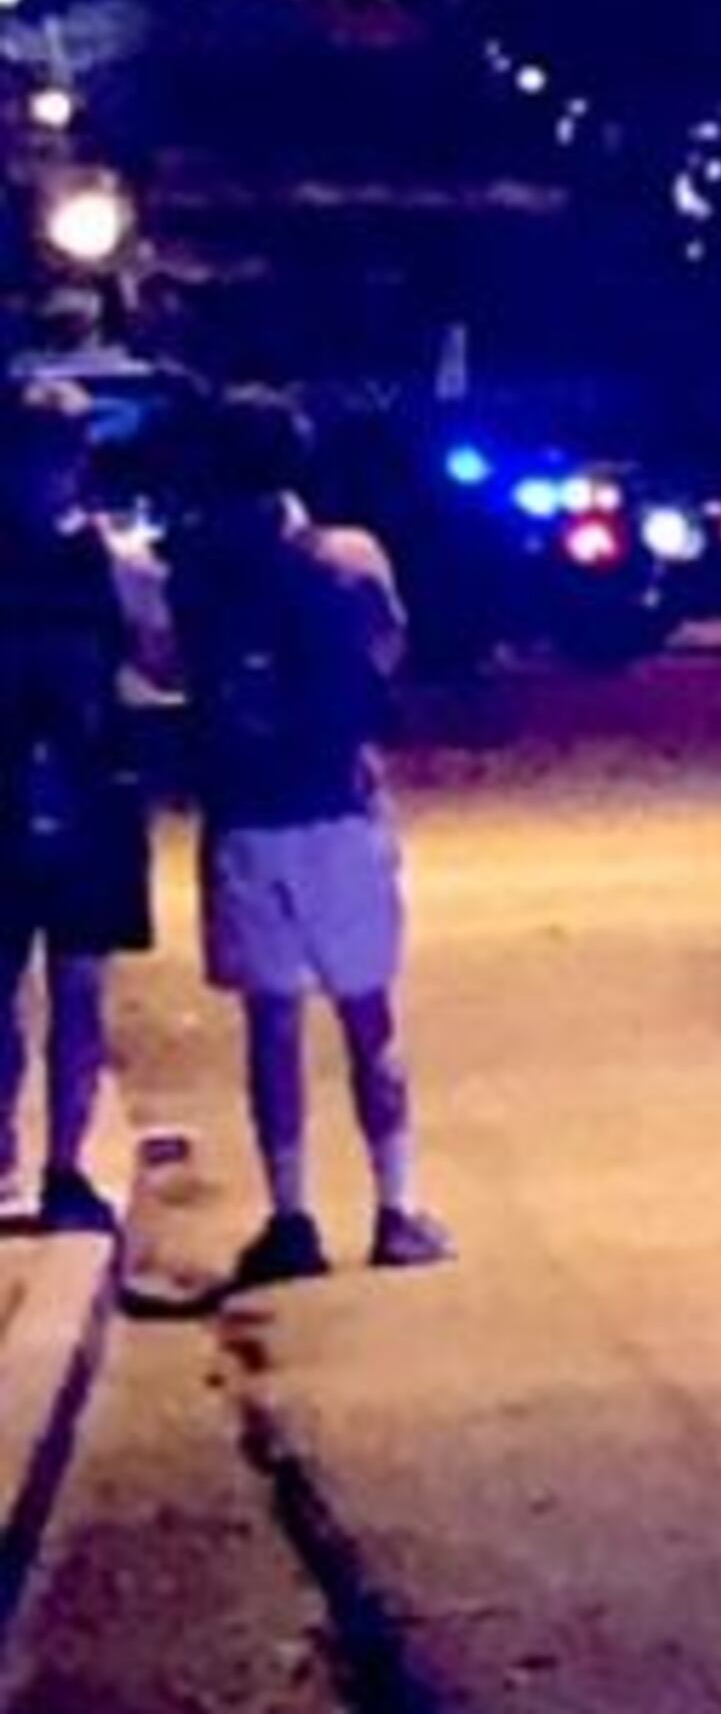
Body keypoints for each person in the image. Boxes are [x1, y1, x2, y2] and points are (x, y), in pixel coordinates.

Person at [165, 393, 449, 1287]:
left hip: (248, 817)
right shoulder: (350, 558)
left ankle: (292, 1215)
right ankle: (396, 1207)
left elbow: (168, 665)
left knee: (272, 1026)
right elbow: (388, 650)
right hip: (338, 810)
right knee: (369, 1016)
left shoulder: (194, 569)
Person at [0, 387, 155, 1234]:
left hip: (88, 788)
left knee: (80, 990)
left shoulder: (111, 558)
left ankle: (63, 1163)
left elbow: (158, 655)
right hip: (32, 788)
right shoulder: (107, 557)